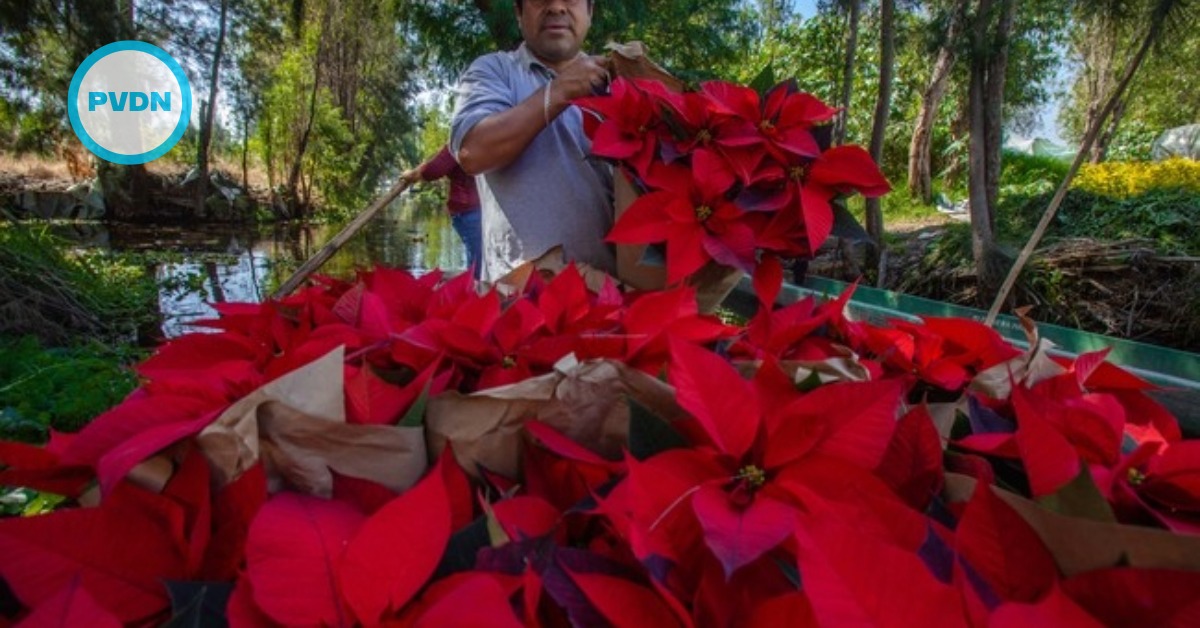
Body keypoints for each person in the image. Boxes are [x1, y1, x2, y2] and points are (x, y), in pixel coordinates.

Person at [450, 0, 615, 283]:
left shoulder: (618, 84)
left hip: (612, 301)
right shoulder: (494, 71)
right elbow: (473, 152)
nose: (556, 7)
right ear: (518, 12)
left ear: (590, 11)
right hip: (521, 306)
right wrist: (560, 91)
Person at [401, 146, 483, 278]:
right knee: (480, 259)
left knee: (479, 262)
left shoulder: (461, 139)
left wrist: (410, 174)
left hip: (470, 209)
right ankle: (478, 290)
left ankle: (478, 292)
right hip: (479, 209)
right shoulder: (488, 136)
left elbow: (432, 170)